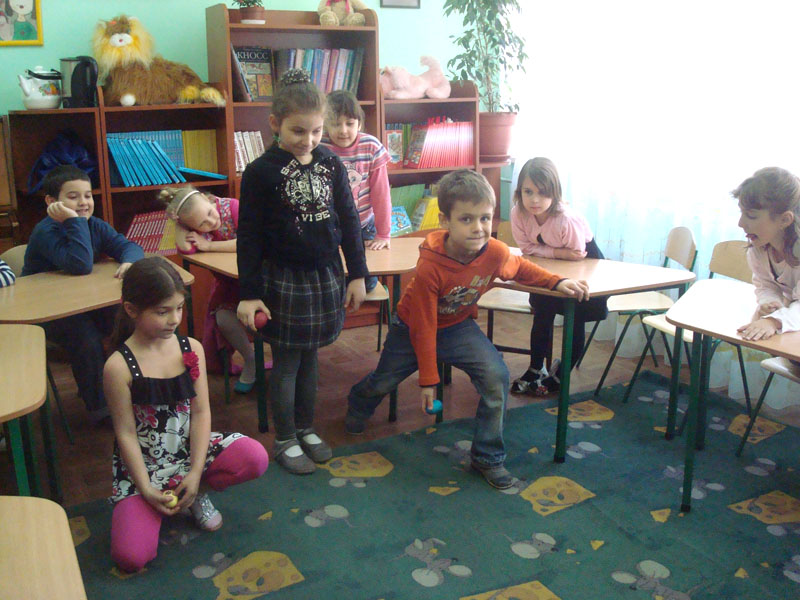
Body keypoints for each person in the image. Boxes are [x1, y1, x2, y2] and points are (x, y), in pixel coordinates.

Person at [345, 169, 590, 489]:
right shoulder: (431, 266)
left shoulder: (495, 252)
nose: (478, 228)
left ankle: (487, 456)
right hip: (412, 328)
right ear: (445, 221)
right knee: (383, 381)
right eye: (466, 219)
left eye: (485, 218)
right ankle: (359, 402)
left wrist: (557, 281)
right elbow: (424, 325)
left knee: (496, 377)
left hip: (457, 326)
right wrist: (428, 381)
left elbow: (521, 268)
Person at [236, 69, 368, 474]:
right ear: (275, 123)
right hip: (283, 280)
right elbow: (249, 236)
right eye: (298, 131)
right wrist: (249, 293)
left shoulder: (330, 162)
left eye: (316, 131)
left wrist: (358, 273)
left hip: (325, 275)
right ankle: (285, 438)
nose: (308, 140)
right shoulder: (260, 172)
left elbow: (349, 219)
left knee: (311, 359)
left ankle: (306, 429)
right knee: (287, 363)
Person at [104, 257, 269, 573]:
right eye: (162, 312)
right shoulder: (118, 366)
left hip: (188, 450)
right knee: (130, 557)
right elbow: (125, 434)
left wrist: (194, 474)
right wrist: (147, 489)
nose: (174, 319)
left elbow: (201, 412)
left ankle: (192, 495)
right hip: (144, 467)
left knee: (255, 457)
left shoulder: (191, 348)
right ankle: (157, 502)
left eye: (179, 308)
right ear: (131, 310)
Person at [22, 164, 144, 423]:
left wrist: (129, 260)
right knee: (86, 340)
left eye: (88, 195)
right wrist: (73, 221)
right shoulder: (46, 231)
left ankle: (135, 390)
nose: (83, 203)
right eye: (73, 196)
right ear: (51, 202)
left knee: (126, 320)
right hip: (47, 311)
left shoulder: (95, 225)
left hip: (83, 303)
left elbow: (128, 245)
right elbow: (80, 264)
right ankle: (100, 408)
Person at [509, 157, 609, 396]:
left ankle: (561, 374)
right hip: (551, 267)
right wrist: (556, 253)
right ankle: (536, 368)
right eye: (528, 191)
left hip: (585, 267)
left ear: (554, 193)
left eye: (543, 193)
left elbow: (577, 254)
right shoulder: (518, 213)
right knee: (542, 311)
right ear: (519, 191)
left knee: (575, 317)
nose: (534, 200)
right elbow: (526, 248)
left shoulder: (566, 219)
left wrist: (545, 251)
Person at [162, 185, 264, 393]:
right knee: (223, 317)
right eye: (202, 223)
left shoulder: (233, 207)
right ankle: (250, 359)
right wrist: (179, 224)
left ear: (208, 198)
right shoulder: (193, 228)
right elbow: (186, 248)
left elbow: (250, 241)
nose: (211, 222)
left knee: (261, 320)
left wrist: (209, 246)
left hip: (259, 280)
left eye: (209, 213)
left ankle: (282, 361)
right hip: (231, 284)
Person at [320, 89, 391, 292]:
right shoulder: (319, 147)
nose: (343, 130)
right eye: (335, 124)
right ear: (325, 124)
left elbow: (381, 194)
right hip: (330, 227)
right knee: (333, 280)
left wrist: (383, 234)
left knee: (366, 282)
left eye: (349, 124)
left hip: (363, 226)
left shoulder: (371, 146)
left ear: (359, 123)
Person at [734, 167, 800, 343]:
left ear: (785, 220)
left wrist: (773, 321)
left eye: (751, 216)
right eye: (741, 213)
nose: (741, 223)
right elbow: (765, 285)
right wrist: (770, 303)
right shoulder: (759, 248)